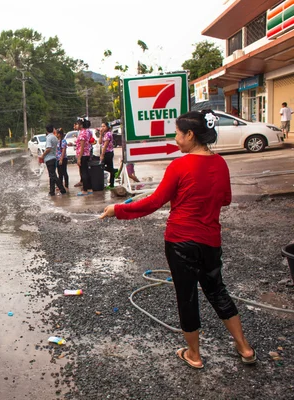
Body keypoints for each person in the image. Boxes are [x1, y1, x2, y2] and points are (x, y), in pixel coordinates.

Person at [101, 110, 256, 369]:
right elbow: (225, 198)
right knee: (217, 290)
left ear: (190, 135)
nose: (175, 138)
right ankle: (245, 348)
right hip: (210, 240)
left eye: (178, 133)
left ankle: (194, 355)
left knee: (186, 296)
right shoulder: (220, 163)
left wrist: (117, 210)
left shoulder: (179, 166)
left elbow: (153, 203)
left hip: (181, 241)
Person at [39, 124, 66, 196]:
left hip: (49, 159)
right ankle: (52, 191)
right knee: (52, 176)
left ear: (46, 130)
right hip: (54, 157)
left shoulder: (49, 138)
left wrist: (42, 156)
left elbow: (48, 148)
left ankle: (62, 189)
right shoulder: (54, 137)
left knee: (53, 175)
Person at [76, 118, 93, 196]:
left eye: (77, 124)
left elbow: (82, 146)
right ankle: (89, 188)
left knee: (84, 172)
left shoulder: (83, 133)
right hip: (86, 154)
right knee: (86, 171)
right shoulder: (86, 132)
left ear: (81, 125)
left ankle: (85, 190)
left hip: (83, 155)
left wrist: (79, 158)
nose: (76, 126)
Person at [99, 122, 115, 188]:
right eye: (102, 126)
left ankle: (111, 183)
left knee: (101, 167)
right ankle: (111, 183)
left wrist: (102, 155)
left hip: (108, 153)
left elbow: (105, 146)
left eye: (104, 126)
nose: (102, 128)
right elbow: (100, 142)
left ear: (107, 127)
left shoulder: (108, 134)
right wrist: (101, 134)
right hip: (106, 152)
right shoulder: (104, 134)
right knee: (109, 168)